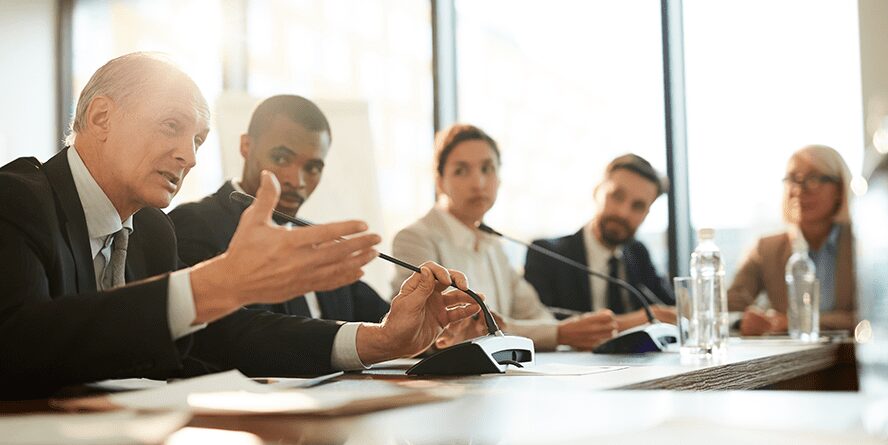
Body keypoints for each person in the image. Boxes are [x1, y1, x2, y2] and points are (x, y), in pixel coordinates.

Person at [0, 52, 479, 399]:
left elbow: (217, 339)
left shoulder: (151, 231)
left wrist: (377, 342)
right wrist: (216, 284)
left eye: (199, 139)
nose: (189, 156)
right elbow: (17, 342)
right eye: (172, 126)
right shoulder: (17, 199)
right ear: (102, 116)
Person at [391, 124, 618, 351]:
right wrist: (558, 333)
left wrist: (561, 330)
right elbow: (460, 326)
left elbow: (536, 315)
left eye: (487, 169)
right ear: (440, 181)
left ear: (499, 179)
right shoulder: (414, 238)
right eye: (461, 171)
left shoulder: (493, 245)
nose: (478, 183)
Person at [169, 95, 389, 323]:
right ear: (246, 146)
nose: (297, 181)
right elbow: (224, 339)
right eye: (282, 158)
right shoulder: (195, 224)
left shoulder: (319, 243)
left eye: (312, 168)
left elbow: (389, 321)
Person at [524, 154, 676, 331]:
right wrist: (645, 317)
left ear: (647, 214)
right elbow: (543, 324)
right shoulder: (546, 254)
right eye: (617, 196)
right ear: (597, 191)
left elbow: (671, 309)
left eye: (638, 206)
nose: (623, 213)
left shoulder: (638, 253)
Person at [728, 145, 856, 335]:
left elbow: (876, 315)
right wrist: (745, 321)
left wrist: (794, 321)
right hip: (792, 362)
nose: (799, 190)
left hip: (854, 361)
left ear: (840, 189)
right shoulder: (766, 248)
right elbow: (726, 308)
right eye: (792, 180)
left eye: (813, 179)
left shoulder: (867, 246)